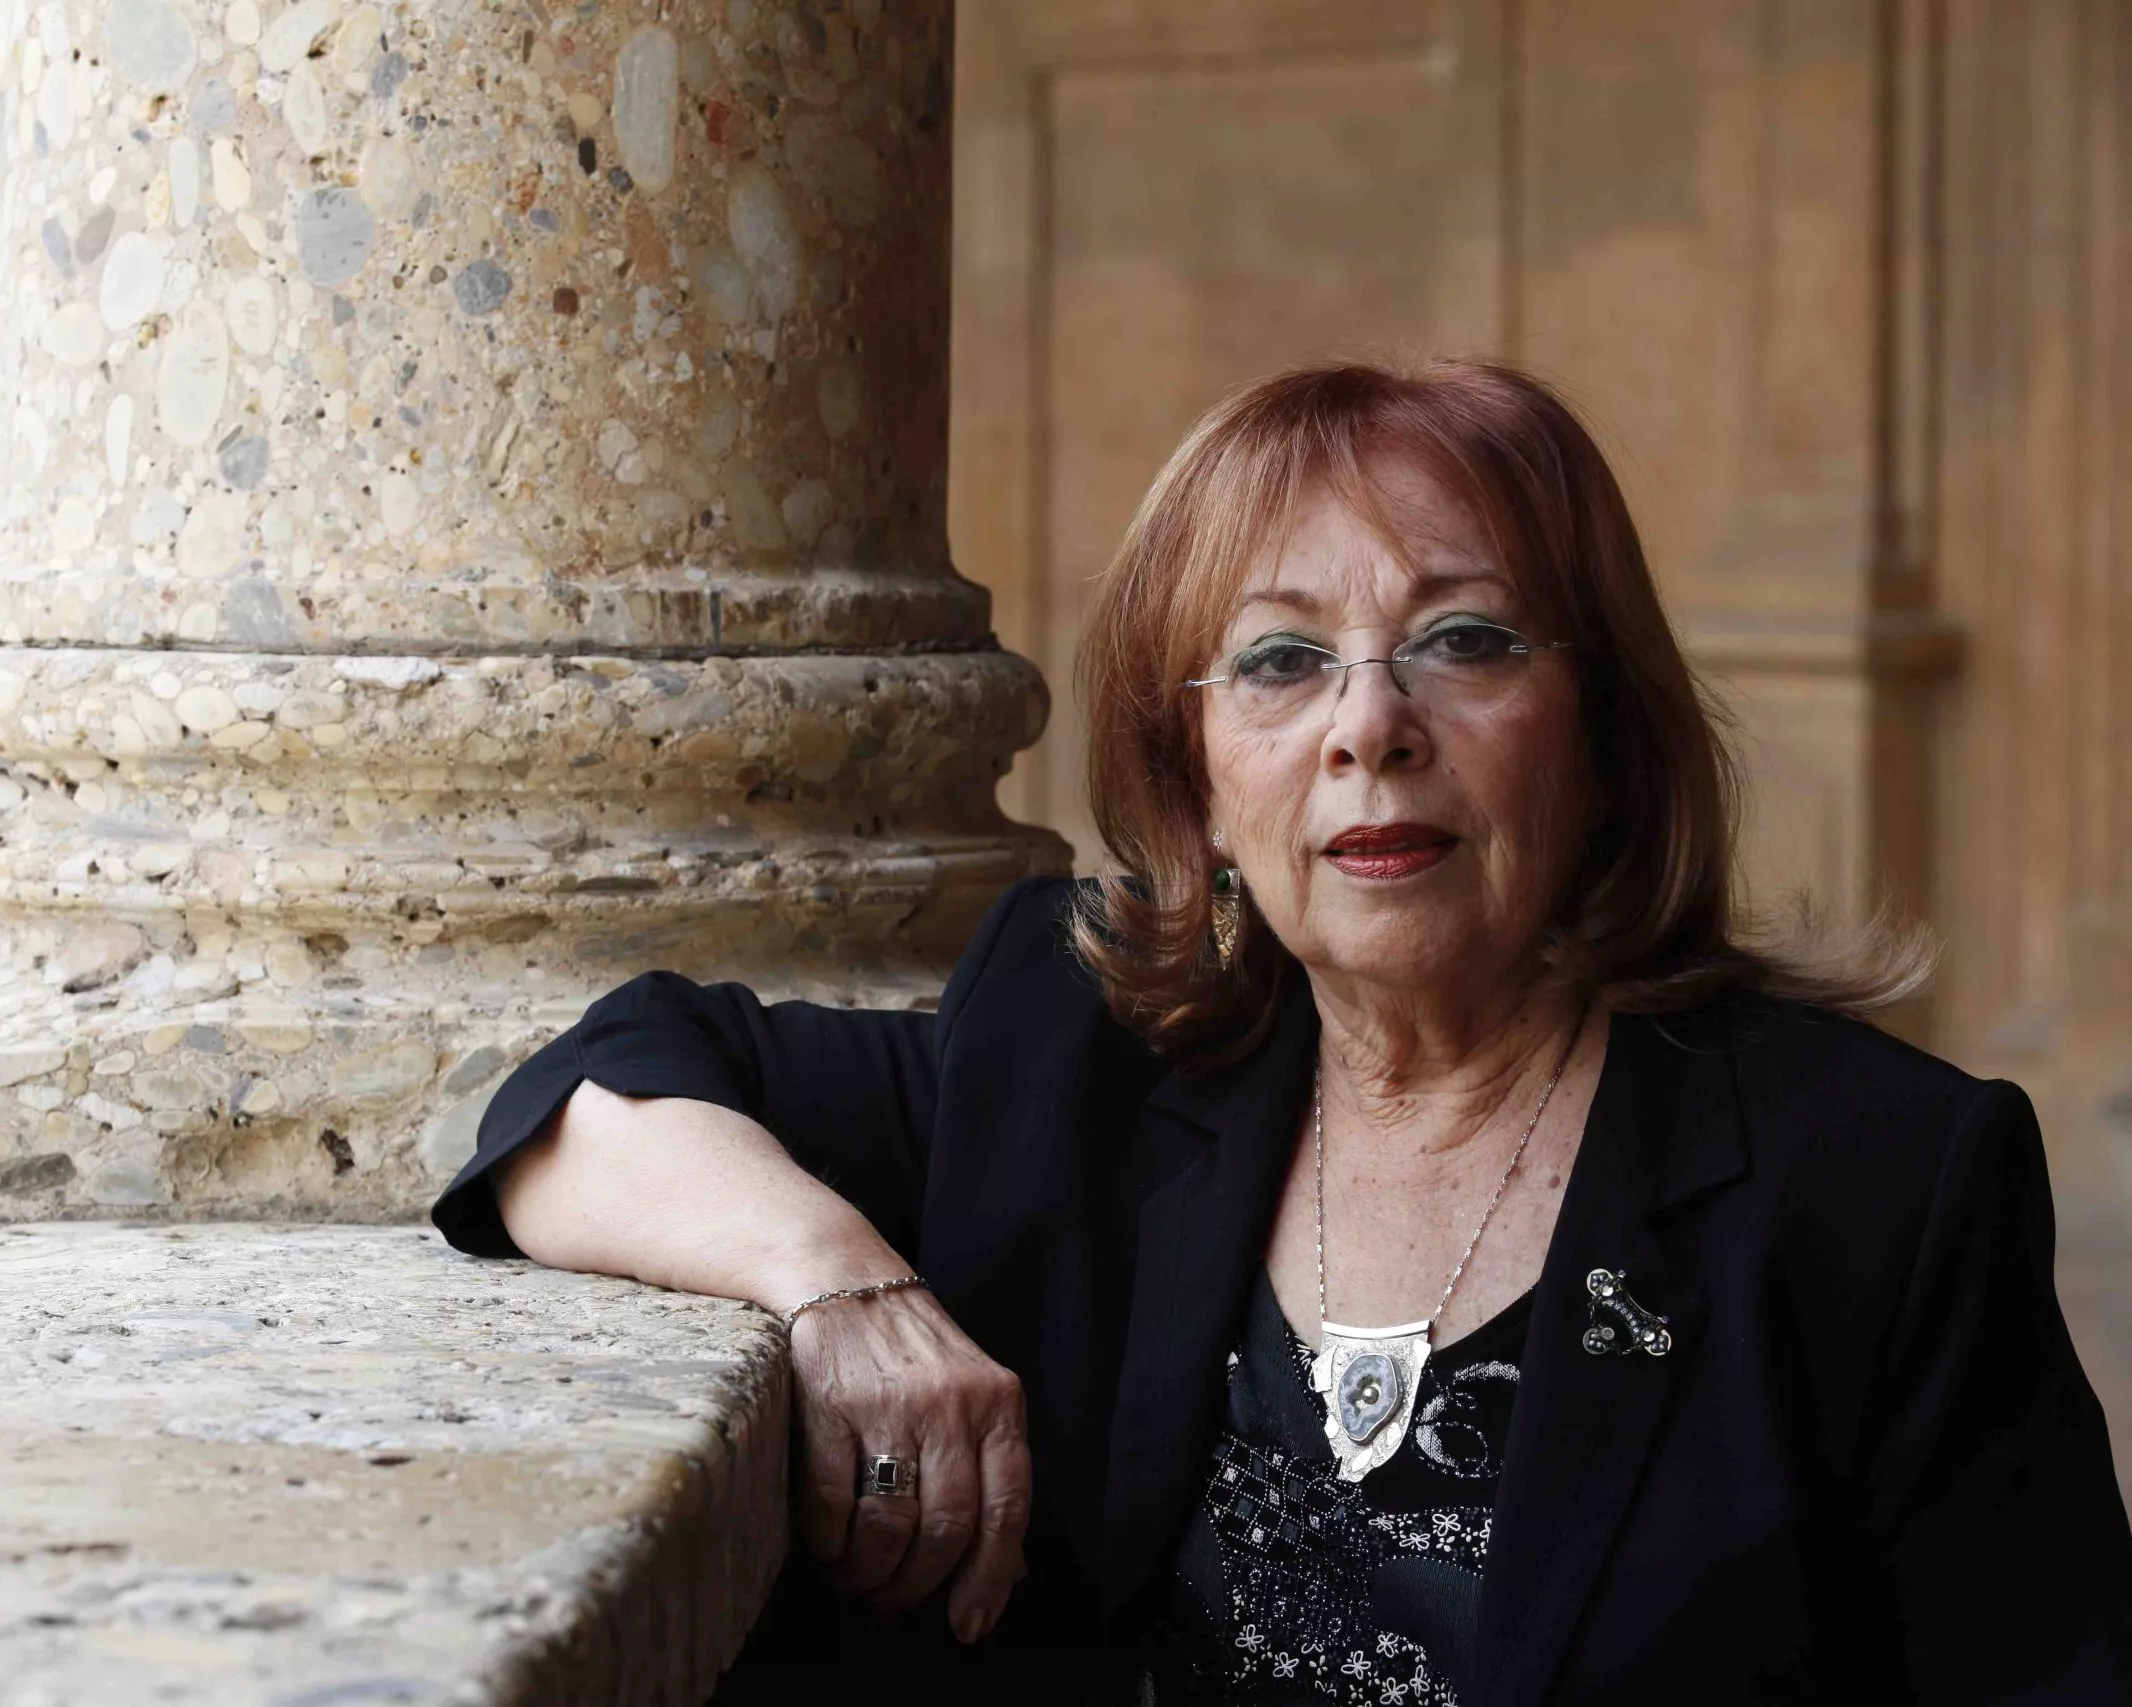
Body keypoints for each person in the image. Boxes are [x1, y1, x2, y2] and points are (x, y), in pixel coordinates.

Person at [431, 362, 2132, 1704]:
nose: (1369, 725)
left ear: (1606, 738)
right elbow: (581, 1099)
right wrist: (837, 1285)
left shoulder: (1882, 1186)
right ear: (1197, 788)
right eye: (1280, 662)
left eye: (1464, 641)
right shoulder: (1075, 1051)